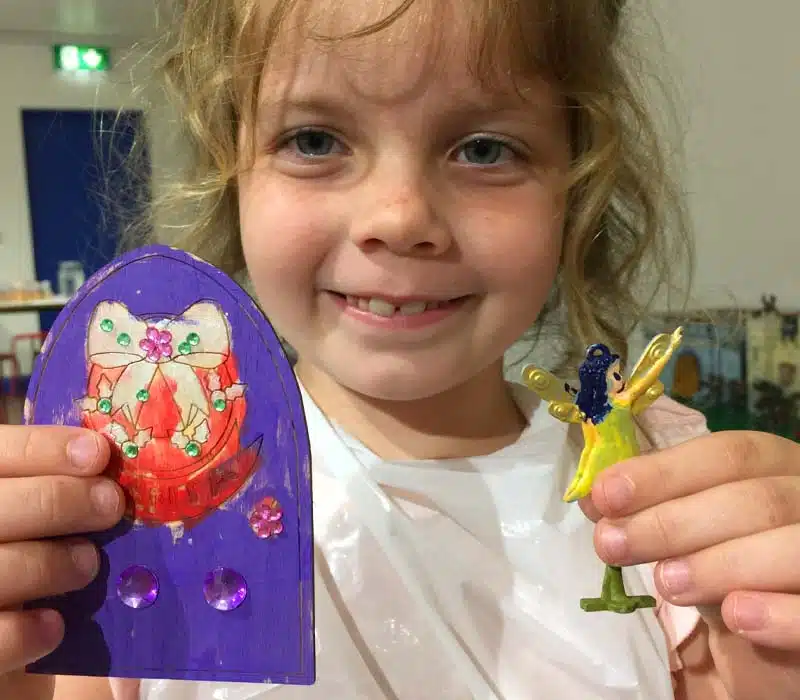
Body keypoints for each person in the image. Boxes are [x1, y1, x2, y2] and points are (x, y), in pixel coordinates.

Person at [1, 0, 799, 698]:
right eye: (314, 139)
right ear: (229, 170)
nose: (399, 214)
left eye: (484, 148)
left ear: (577, 186)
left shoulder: (654, 487)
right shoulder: (136, 495)